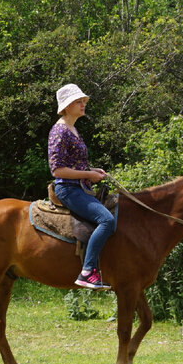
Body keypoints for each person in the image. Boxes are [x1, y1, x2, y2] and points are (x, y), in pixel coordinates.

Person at [48, 83, 116, 290]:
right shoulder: (60, 131)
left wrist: (93, 170)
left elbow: (74, 164)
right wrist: (88, 174)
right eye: (78, 101)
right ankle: (87, 271)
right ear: (66, 106)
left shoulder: (73, 129)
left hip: (80, 186)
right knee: (106, 220)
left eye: (83, 101)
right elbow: (57, 170)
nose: (83, 104)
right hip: (68, 189)